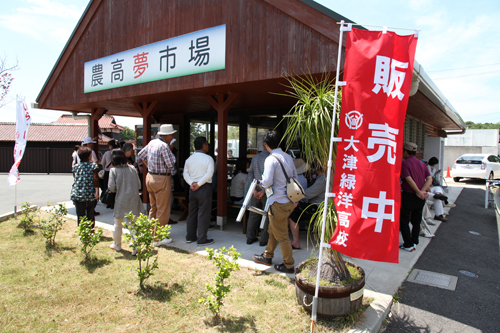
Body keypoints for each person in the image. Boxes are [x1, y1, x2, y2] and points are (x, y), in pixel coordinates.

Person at [252, 130, 297, 274]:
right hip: (289, 200)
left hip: (278, 201)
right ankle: (267, 255)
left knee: (282, 235)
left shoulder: (271, 159)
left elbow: (267, 181)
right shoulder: (288, 157)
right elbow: (294, 177)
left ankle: (289, 265)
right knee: (273, 230)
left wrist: (259, 186)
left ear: (266, 145)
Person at [137, 124, 177, 248]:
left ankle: (151, 233)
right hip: (162, 178)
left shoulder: (152, 142)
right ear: (166, 135)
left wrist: (149, 166)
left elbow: (140, 155)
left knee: (153, 207)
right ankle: (158, 237)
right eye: (171, 134)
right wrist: (171, 149)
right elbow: (171, 164)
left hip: (150, 177)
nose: (173, 136)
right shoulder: (165, 146)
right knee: (163, 209)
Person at [107, 149, 145, 255]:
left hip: (120, 200)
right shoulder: (132, 168)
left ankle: (117, 245)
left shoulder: (113, 171)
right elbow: (139, 185)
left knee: (118, 223)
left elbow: (111, 187)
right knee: (133, 225)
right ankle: (136, 247)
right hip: (133, 199)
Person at [400, 142, 432, 252]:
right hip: (420, 198)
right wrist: (422, 192)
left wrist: (418, 191)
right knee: (416, 220)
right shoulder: (422, 164)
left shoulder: (405, 163)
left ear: (405, 151)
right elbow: (429, 179)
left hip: (408, 195)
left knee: (404, 220)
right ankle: (414, 241)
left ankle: (408, 244)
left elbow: (408, 179)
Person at [183, 137, 215, 245]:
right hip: (204, 187)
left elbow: (185, 174)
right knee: (203, 213)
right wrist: (199, 184)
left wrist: (192, 183)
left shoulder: (189, 159)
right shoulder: (209, 159)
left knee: (191, 213)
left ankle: (190, 236)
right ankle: (202, 239)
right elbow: (209, 174)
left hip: (192, 188)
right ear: (204, 145)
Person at [288, 163, 326, 249]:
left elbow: (309, 193)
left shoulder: (322, 179)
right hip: (314, 204)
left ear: (316, 169)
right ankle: (295, 242)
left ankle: (295, 242)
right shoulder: (321, 178)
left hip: (317, 206)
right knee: (293, 213)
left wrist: (296, 197)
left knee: (294, 210)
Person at [245, 146, 270, 245]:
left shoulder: (255, 157)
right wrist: (263, 191)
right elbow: (271, 177)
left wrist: (254, 189)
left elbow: (250, 173)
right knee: (267, 215)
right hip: (267, 191)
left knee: (253, 214)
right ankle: (264, 240)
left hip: (256, 190)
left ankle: (250, 237)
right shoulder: (271, 157)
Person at [70, 147, 99, 228]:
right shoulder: (93, 166)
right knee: (90, 213)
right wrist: (97, 192)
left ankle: (82, 230)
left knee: (80, 214)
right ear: (89, 156)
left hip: (78, 193)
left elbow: (75, 178)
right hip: (90, 193)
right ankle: (90, 230)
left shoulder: (76, 167)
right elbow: (95, 179)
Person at [100, 140, 119, 206]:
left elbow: (102, 163)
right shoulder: (118, 153)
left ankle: (108, 202)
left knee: (107, 187)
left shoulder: (107, 153)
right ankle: (114, 202)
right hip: (116, 172)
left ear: (110, 146)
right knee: (115, 187)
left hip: (107, 171)